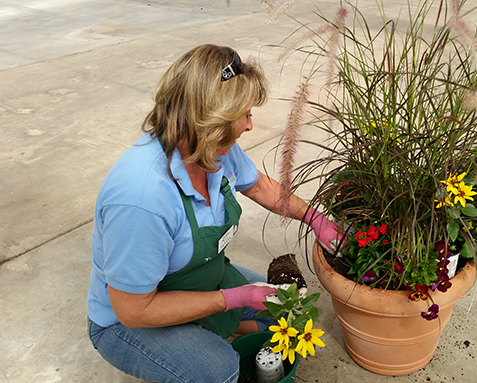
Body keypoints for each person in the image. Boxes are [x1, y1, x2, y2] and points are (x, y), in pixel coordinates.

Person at [86, 44, 341, 383]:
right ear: (211, 124)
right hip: (127, 321)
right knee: (217, 370)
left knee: (286, 316)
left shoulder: (213, 150)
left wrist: (317, 219)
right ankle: (196, 349)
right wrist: (235, 298)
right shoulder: (141, 198)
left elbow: (261, 188)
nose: (250, 125)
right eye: (245, 116)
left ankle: (207, 331)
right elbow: (133, 310)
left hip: (200, 277)